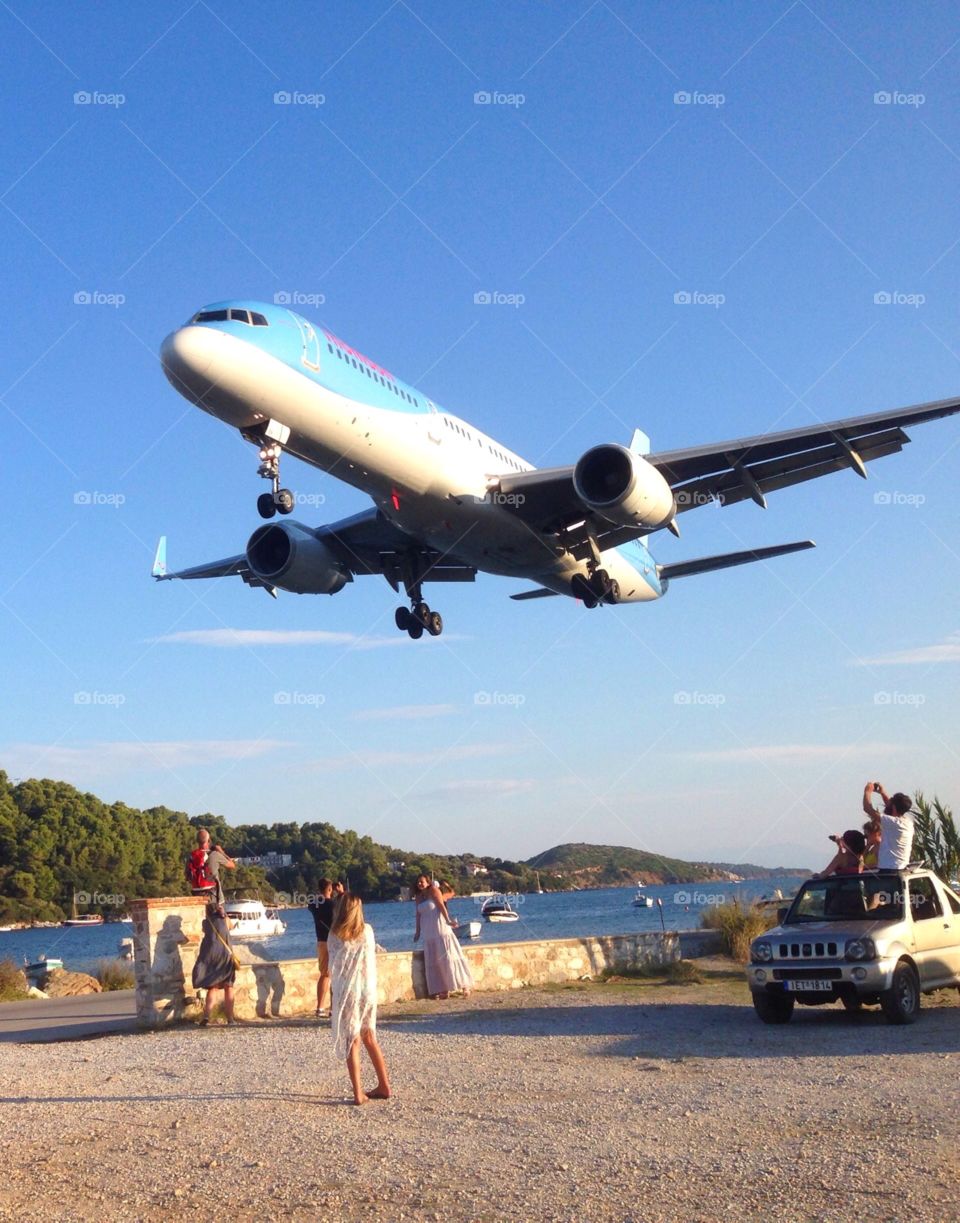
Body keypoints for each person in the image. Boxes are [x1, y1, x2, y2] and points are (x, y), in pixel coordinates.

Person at [326, 893, 391, 1105]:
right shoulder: (368, 931)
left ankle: (358, 1093)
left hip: (348, 991)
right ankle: (384, 1085)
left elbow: (333, 968)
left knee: (351, 1040)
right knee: (369, 1037)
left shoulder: (334, 935)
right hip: (367, 990)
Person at [413, 874, 473, 1000]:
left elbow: (441, 906)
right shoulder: (418, 897)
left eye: (422, 881)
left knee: (450, 957)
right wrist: (417, 932)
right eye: (418, 882)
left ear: (428, 882)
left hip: (440, 928)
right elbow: (418, 915)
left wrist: (448, 920)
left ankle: (464, 986)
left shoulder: (434, 891)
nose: (419, 884)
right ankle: (444, 989)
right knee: (436, 961)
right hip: (428, 932)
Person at [192, 903, 237, 1025]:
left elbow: (205, 931)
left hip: (211, 957)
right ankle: (230, 1020)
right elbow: (232, 927)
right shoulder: (226, 920)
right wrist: (224, 914)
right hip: (225, 957)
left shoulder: (205, 923)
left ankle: (206, 1017)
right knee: (229, 987)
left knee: (213, 987)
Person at [863, 782, 915, 869]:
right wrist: (882, 793)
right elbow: (891, 807)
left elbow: (867, 808)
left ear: (894, 807)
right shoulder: (907, 823)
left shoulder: (893, 823)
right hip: (900, 867)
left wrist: (867, 791)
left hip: (889, 869)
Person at [307, 878, 335, 1019]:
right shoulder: (333, 904)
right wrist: (342, 894)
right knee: (331, 975)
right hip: (333, 941)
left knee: (325, 974)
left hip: (321, 941)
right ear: (330, 889)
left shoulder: (314, 904)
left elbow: (310, 902)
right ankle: (330, 1008)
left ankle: (322, 1007)